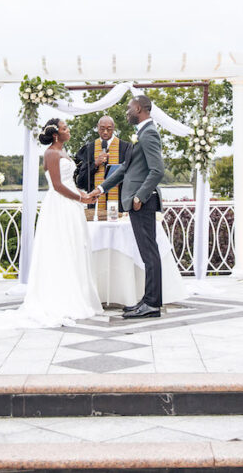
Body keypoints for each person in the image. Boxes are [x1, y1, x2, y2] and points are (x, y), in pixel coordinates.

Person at [0, 119, 102, 329]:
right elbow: (57, 185)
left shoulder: (61, 152)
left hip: (65, 204)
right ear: (56, 134)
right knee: (59, 248)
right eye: (65, 128)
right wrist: (80, 198)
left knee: (71, 248)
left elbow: (66, 182)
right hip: (58, 204)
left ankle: (71, 292)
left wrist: (81, 194)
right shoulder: (51, 153)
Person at [88, 95, 165, 319]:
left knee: (149, 254)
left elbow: (157, 170)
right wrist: (100, 189)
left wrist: (139, 196)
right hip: (137, 203)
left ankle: (151, 304)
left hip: (142, 203)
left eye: (129, 108)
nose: (127, 112)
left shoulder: (149, 133)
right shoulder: (143, 133)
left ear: (139, 108)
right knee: (147, 253)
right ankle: (149, 300)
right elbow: (125, 169)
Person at [74, 115, 132, 218]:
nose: (105, 132)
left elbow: (131, 175)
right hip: (95, 204)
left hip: (120, 203)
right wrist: (95, 164)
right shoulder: (89, 148)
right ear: (97, 127)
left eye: (109, 129)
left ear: (113, 128)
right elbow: (81, 182)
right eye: (102, 129)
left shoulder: (125, 147)